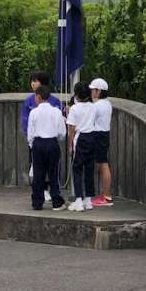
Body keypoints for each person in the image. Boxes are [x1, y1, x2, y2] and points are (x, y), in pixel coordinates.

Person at [21, 71, 63, 202]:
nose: (32, 83)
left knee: (49, 170)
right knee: (39, 170)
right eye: (31, 81)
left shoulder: (55, 102)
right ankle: (46, 194)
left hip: (44, 141)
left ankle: (40, 200)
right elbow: (25, 122)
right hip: (39, 141)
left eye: (35, 81)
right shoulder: (29, 101)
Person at [27, 85, 67, 211]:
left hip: (38, 143)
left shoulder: (33, 112)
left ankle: (37, 202)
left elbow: (30, 132)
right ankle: (56, 201)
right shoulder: (56, 112)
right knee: (53, 173)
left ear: (38, 96)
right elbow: (62, 132)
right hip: (52, 143)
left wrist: (32, 145)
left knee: (38, 174)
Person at [66, 82, 97, 212]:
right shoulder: (93, 107)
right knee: (89, 169)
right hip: (92, 137)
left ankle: (78, 199)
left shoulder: (74, 108)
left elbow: (71, 129)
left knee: (77, 169)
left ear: (77, 95)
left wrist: (70, 146)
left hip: (80, 139)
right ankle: (88, 200)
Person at [90, 78, 113, 207]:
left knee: (103, 164)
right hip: (104, 134)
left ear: (98, 91)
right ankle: (105, 195)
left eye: (93, 89)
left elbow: (88, 118)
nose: (91, 92)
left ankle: (107, 197)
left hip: (99, 135)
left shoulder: (97, 106)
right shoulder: (107, 103)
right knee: (102, 163)